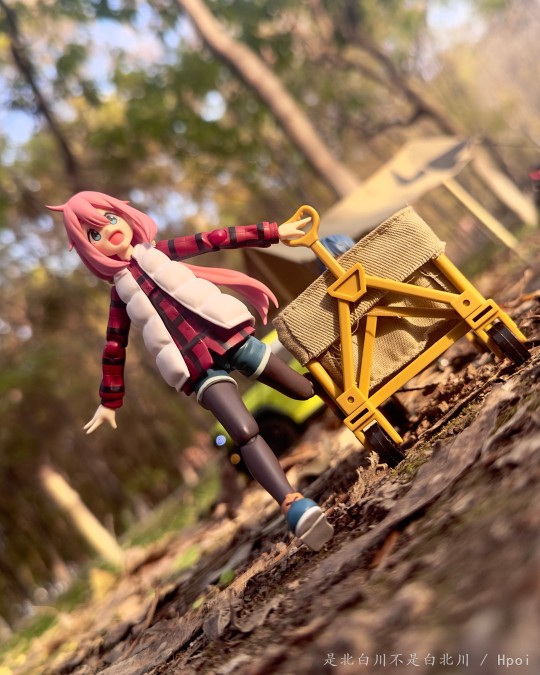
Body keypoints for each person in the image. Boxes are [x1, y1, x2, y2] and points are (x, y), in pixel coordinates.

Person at [48, 191, 333, 551]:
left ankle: (364, 407)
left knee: (305, 390)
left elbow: (215, 239)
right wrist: (110, 400)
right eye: (93, 233)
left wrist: (274, 232)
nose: (107, 231)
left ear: (124, 216)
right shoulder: (121, 294)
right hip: (195, 368)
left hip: (230, 337)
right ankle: (293, 505)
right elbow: (114, 346)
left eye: (109, 218)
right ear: (88, 249)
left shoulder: (160, 252)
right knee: (244, 432)